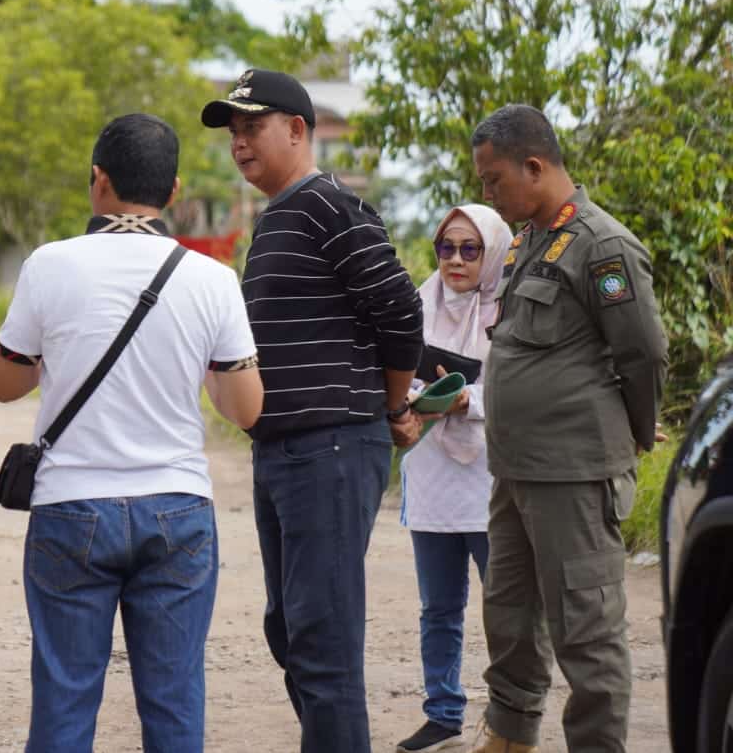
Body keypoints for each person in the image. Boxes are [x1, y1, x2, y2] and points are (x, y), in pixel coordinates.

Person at [0, 113, 263, 753]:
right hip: (177, 508)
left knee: (64, 698)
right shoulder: (213, 279)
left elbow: (7, 382)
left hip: (70, 508)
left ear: (98, 181)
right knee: (173, 703)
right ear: (174, 192)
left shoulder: (48, 265)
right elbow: (245, 408)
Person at [199, 68, 424, 753]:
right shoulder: (276, 218)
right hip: (283, 452)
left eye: (252, 128)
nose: (239, 144)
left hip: (329, 447)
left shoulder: (330, 206)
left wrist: (390, 406)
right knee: (289, 629)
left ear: (298, 130)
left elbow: (401, 309)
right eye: (233, 132)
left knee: (322, 643)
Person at [469, 104, 667, 753]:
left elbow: (643, 353)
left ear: (535, 165)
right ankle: (510, 735)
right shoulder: (533, 239)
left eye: (495, 180)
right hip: (517, 469)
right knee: (511, 616)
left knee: (587, 631)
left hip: (575, 472)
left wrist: (635, 435)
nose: (487, 194)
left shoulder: (602, 245)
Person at [394, 204, 512, 753]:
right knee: (438, 608)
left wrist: (470, 398)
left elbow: (525, 390)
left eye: (470, 249)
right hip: (432, 472)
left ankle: (510, 718)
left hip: (492, 479)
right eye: (446, 248)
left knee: (505, 607)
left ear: (492, 254)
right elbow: (394, 373)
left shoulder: (512, 310)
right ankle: (442, 713)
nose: (456, 260)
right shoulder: (417, 303)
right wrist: (407, 402)